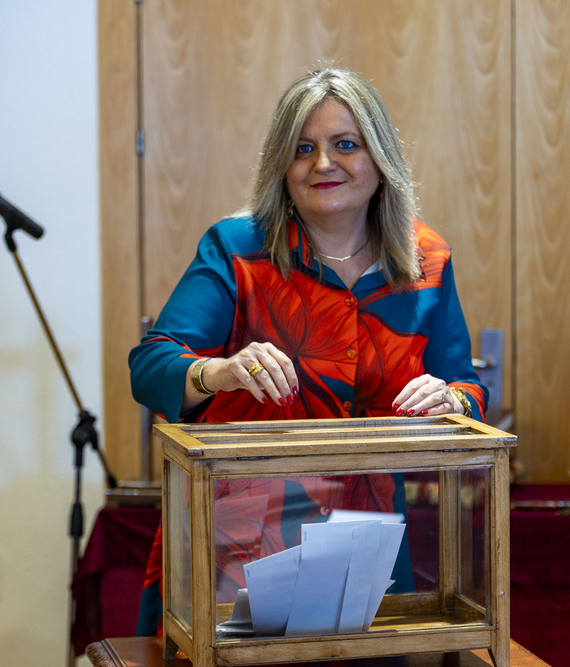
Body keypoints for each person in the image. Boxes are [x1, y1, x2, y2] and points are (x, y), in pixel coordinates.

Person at [128, 67, 487, 635]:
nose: (323, 163)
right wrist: (218, 370)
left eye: (345, 144)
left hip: (369, 542)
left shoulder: (428, 261)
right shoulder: (237, 248)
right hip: (238, 540)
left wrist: (454, 400)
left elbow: (466, 385)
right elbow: (149, 367)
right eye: (303, 148)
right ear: (282, 166)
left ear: (380, 158)